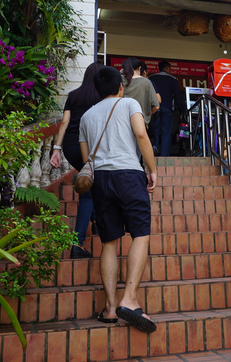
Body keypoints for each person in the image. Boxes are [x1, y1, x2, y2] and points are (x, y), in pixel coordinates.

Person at [80, 66, 158, 332]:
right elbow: (140, 135)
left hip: (100, 180)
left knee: (109, 243)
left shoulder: (87, 116)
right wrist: (153, 169)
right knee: (140, 234)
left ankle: (111, 308)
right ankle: (130, 298)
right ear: (120, 86)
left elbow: (85, 159)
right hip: (128, 175)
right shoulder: (128, 104)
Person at [49, 62, 105, 259]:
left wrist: (56, 149)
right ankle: (77, 242)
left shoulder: (73, 95)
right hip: (89, 147)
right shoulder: (101, 97)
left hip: (70, 148)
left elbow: (64, 122)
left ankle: (97, 222)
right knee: (88, 193)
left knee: (92, 183)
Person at [149, 60, 186, 157]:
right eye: (169, 68)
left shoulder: (151, 78)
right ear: (166, 68)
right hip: (167, 108)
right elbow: (177, 97)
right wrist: (182, 111)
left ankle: (153, 151)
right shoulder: (173, 79)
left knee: (155, 131)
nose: (170, 70)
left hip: (154, 108)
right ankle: (164, 156)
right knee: (166, 133)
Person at [121, 58, 159, 129]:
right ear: (140, 68)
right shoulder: (146, 82)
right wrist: (146, 114)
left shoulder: (120, 79)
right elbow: (156, 106)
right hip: (140, 123)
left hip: (122, 122)